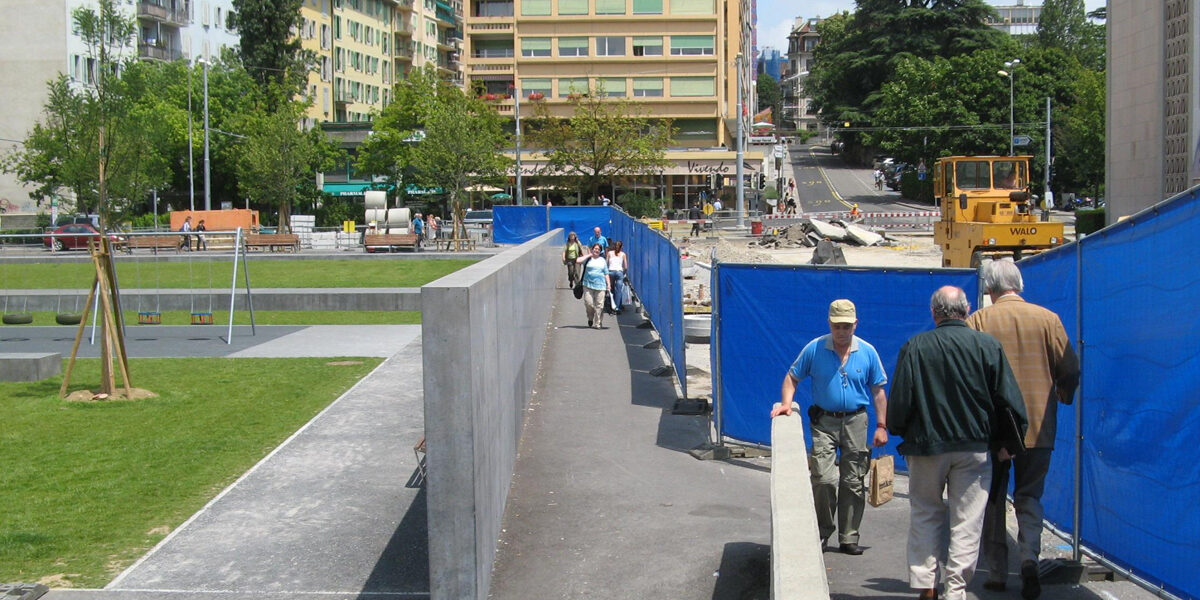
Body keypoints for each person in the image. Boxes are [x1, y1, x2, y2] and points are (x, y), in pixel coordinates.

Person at [888, 286, 1028, 600]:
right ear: (966, 312)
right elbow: (1008, 399)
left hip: (926, 446)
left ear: (934, 313)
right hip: (974, 447)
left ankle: (926, 584)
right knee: (967, 521)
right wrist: (1009, 441)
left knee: (926, 513)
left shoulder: (915, 347)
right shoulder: (987, 346)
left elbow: (900, 404)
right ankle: (957, 589)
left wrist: (899, 428)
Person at [967, 260, 1080, 599]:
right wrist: (1063, 393)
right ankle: (1030, 556)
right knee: (1030, 496)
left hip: (994, 429)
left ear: (990, 288)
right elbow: (1070, 367)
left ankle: (998, 572)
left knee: (992, 499)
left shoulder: (978, 321)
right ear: (1019, 285)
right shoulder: (1048, 319)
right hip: (1038, 427)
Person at [771, 299, 888, 556]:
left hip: (856, 421)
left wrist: (881, 426)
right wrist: (786, 404)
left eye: (847, 326)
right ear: (829, 324)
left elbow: (878, 391)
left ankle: (849, 536)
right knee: (823, 479)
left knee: (853, 480)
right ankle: (823, 532)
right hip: (824, 422)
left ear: (856, 324)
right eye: (837, 326)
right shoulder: (815, 348)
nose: (842, 332)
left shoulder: (867, 352)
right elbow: (792, 377)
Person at [574, 243, 610, 329]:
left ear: (600, 251)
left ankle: (598, 323)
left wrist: (608, 284)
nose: (596, 250)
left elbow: (606, 273)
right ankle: (590, 317)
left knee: (599, 305)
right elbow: (577, 260)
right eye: (595, 249)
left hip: (601, 285)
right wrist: (589, 255)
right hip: (588, 285)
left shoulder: (602, 260)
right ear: (592, 249)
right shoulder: (588, 259)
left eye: (598, 249)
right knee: (589, 303)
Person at [606, 240, 628, 315]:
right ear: (621, 247)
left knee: (611, 289)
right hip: (619, 272)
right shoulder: (623, 254)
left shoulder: (609, 253)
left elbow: (606, 263)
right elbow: (625, 266)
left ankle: (610, 305)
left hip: (611, 272)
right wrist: (623, 273)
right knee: (618, 291)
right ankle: (616, 308)